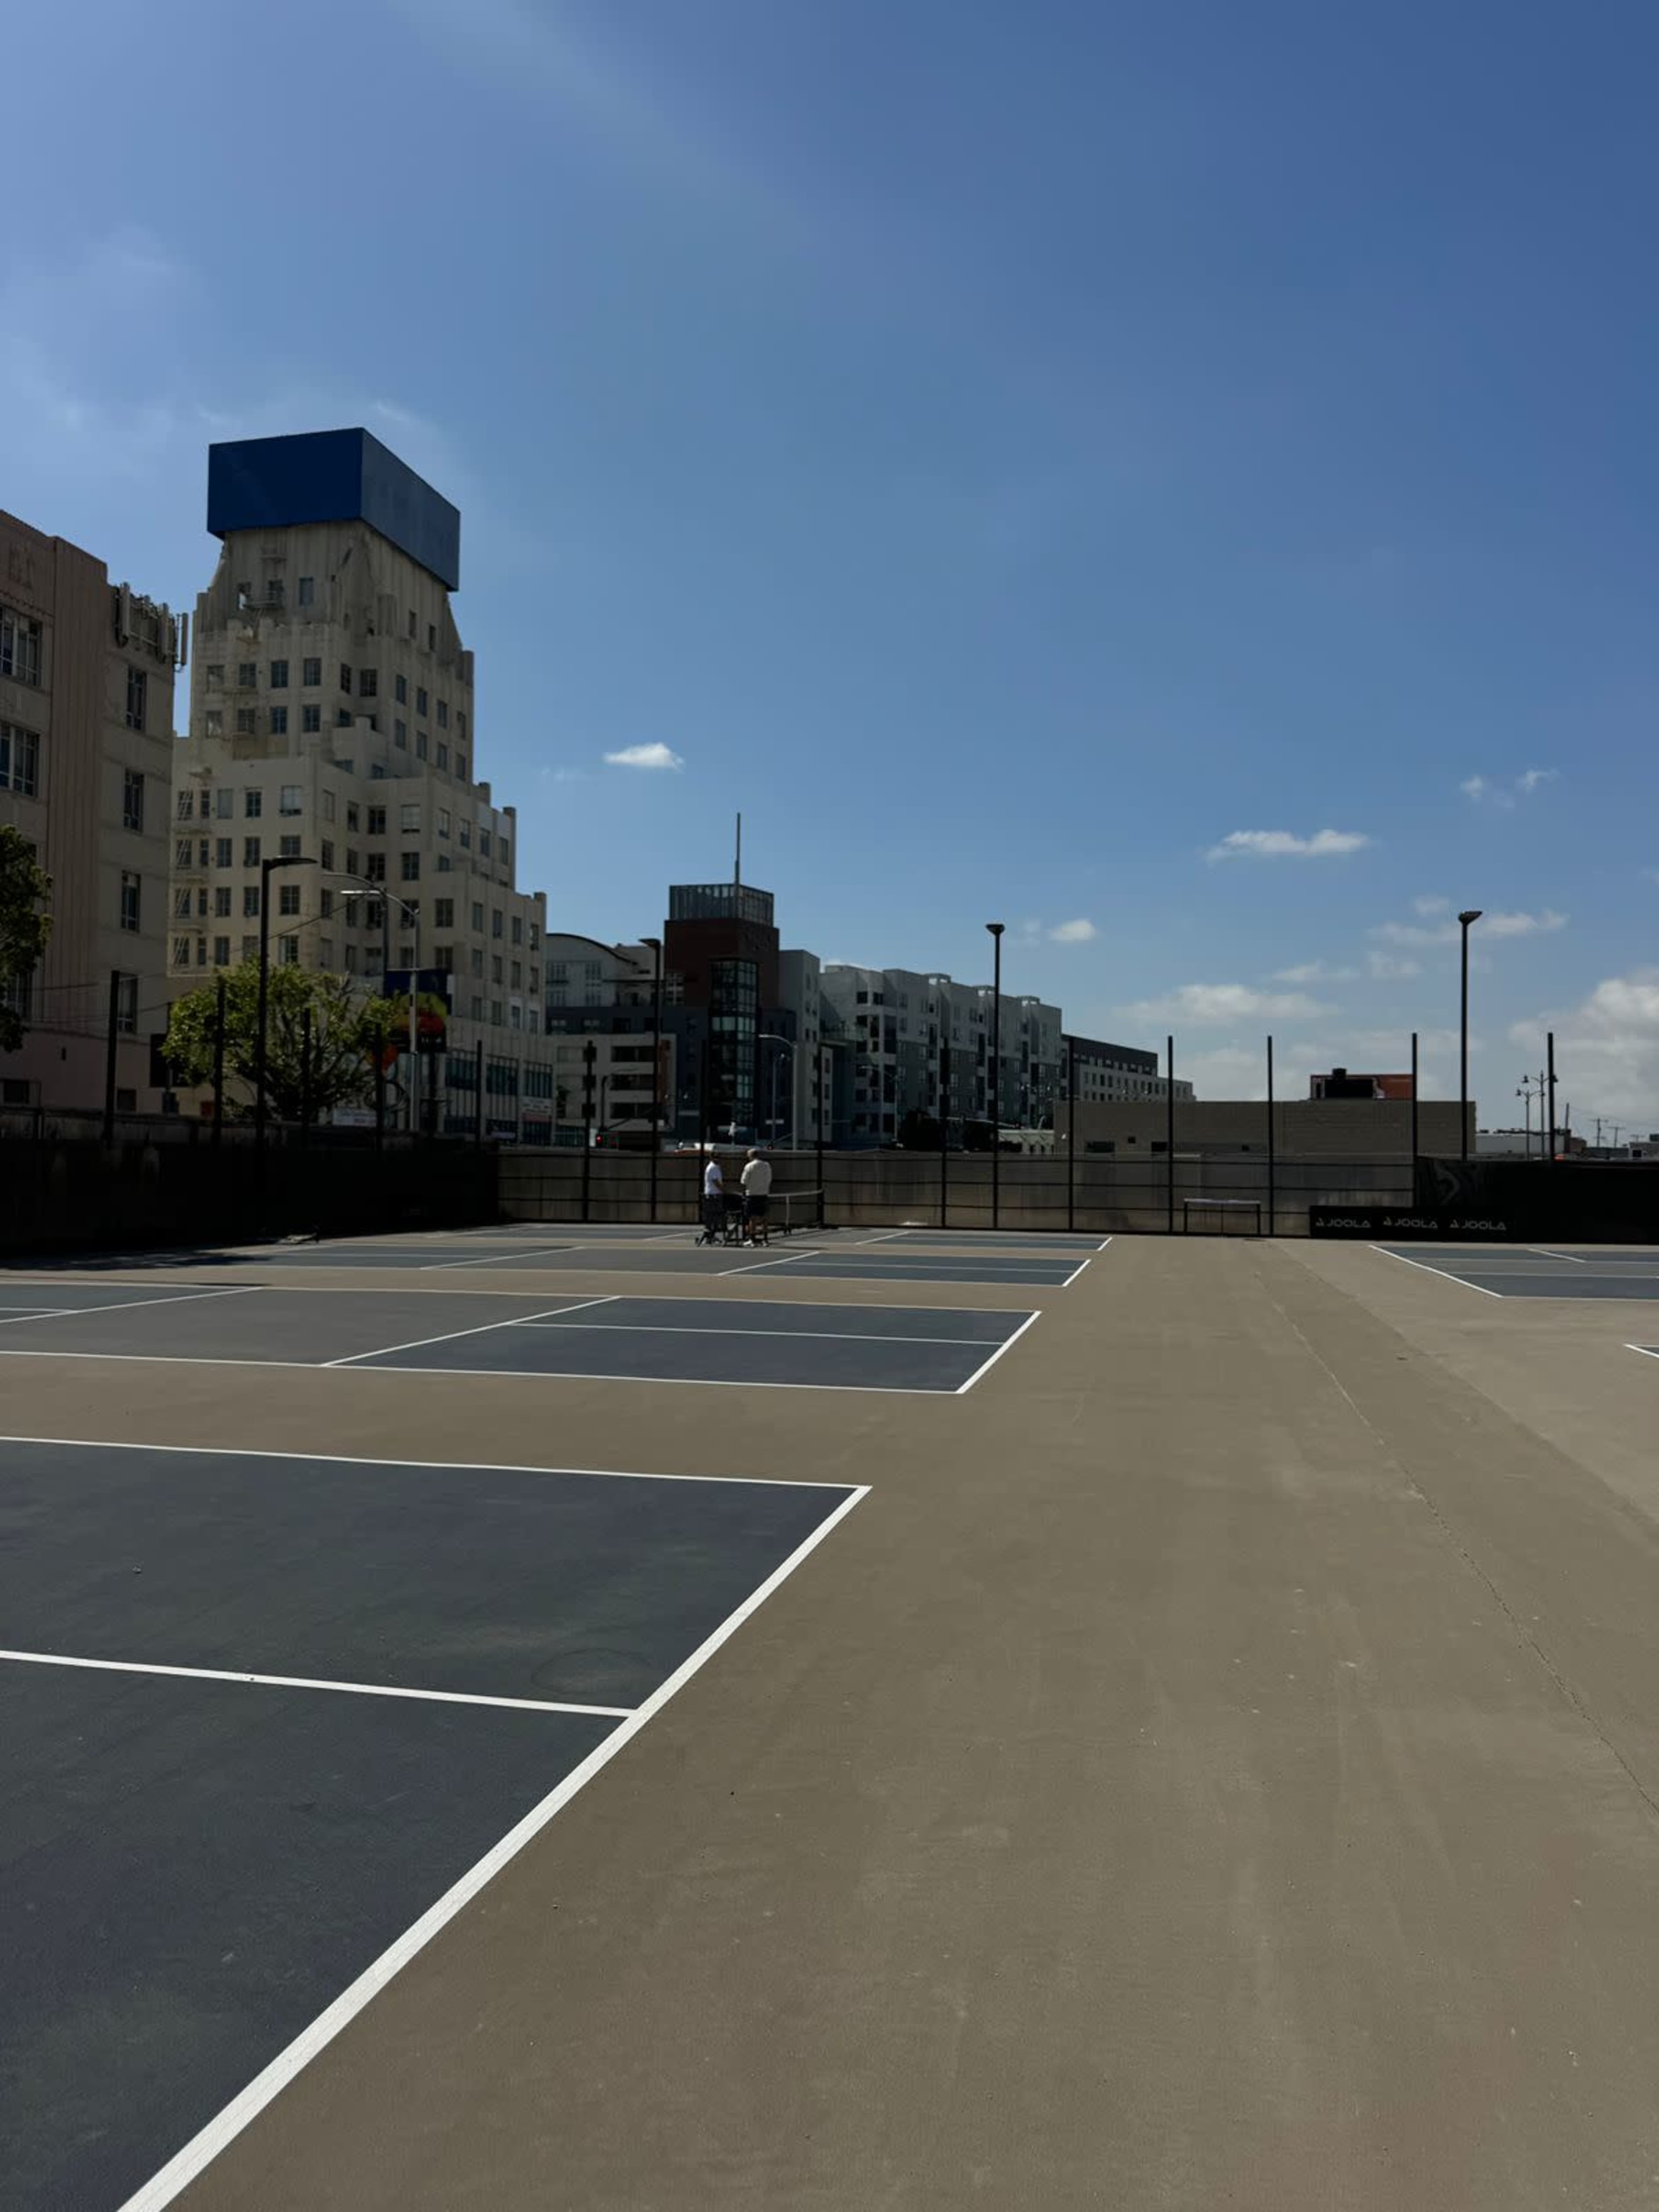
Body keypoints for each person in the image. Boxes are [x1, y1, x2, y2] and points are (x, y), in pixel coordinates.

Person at [740, 1146, 773, 1243]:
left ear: (751, 1156)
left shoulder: (749, 1166)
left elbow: (744, 1181)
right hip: (764, 1194)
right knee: (764, 1218)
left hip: (752, 1195)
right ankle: (765, 1239)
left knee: (752, 1218)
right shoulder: (767, 1165)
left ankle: (752, 1239)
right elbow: (769, 1179)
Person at [698, 1151, 725, 1245]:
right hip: (712, 1195)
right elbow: (715, 1182)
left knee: (715, 1218)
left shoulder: (717, 1167)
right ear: (712, 1158)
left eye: (719, 1157)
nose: (718, 1159)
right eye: (716, 1157)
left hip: (716, 1195)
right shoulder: (712, 1168)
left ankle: (711, 1236)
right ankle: (709, 1237)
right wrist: (723, 1190)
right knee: (712, 1217)